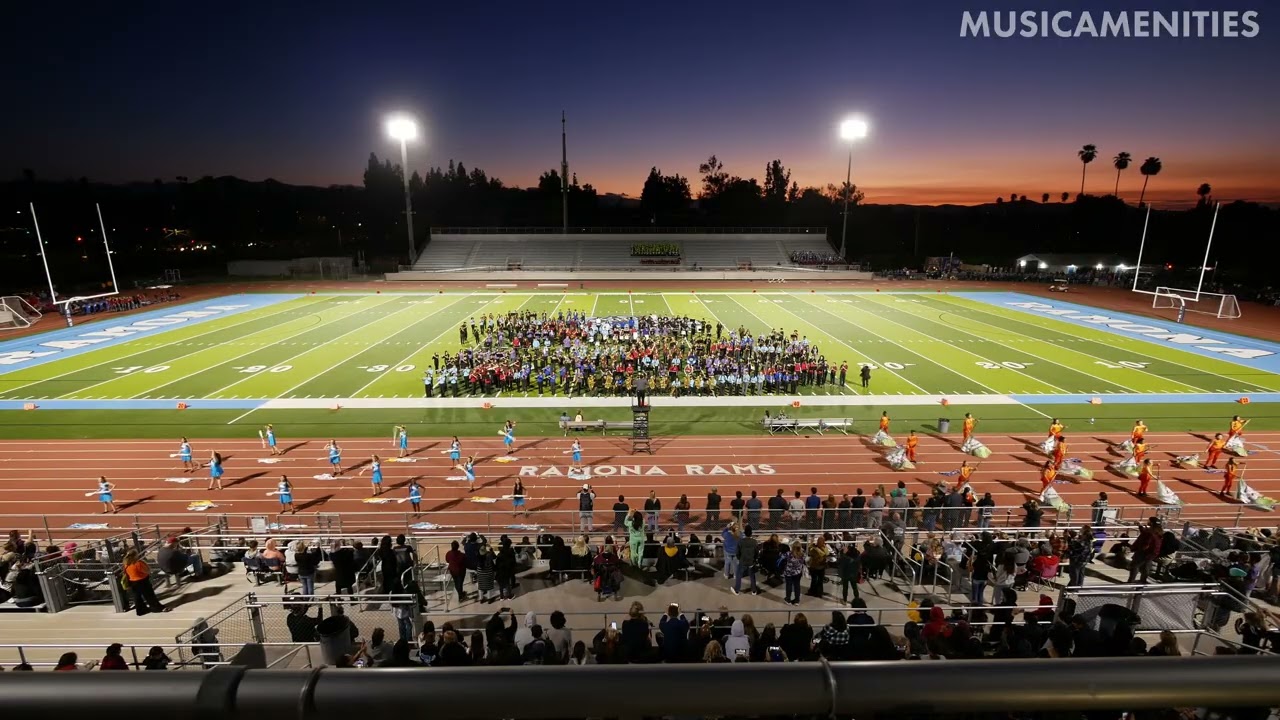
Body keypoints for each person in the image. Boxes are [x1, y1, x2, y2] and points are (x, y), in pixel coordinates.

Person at [122, 549, 166, 616]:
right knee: (149, 595)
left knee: (137, 597)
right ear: (135, 555)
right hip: (142, 581)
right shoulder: (138, 563)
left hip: (132, 581)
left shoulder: (126, 564)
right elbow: (147, 571)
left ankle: (140, 610)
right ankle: (156, 608)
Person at [735, 525, 759, 595]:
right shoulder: (754, 542)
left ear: (745, 533)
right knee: (752, 576)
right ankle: (754, 590)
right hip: (751, 562)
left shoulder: (741, 541)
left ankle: (737, 590)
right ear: (751, 533)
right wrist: (754, 560)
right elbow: (756, 552)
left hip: (742, 561)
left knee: (739, 575)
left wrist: (739, 558)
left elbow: (737, 552)